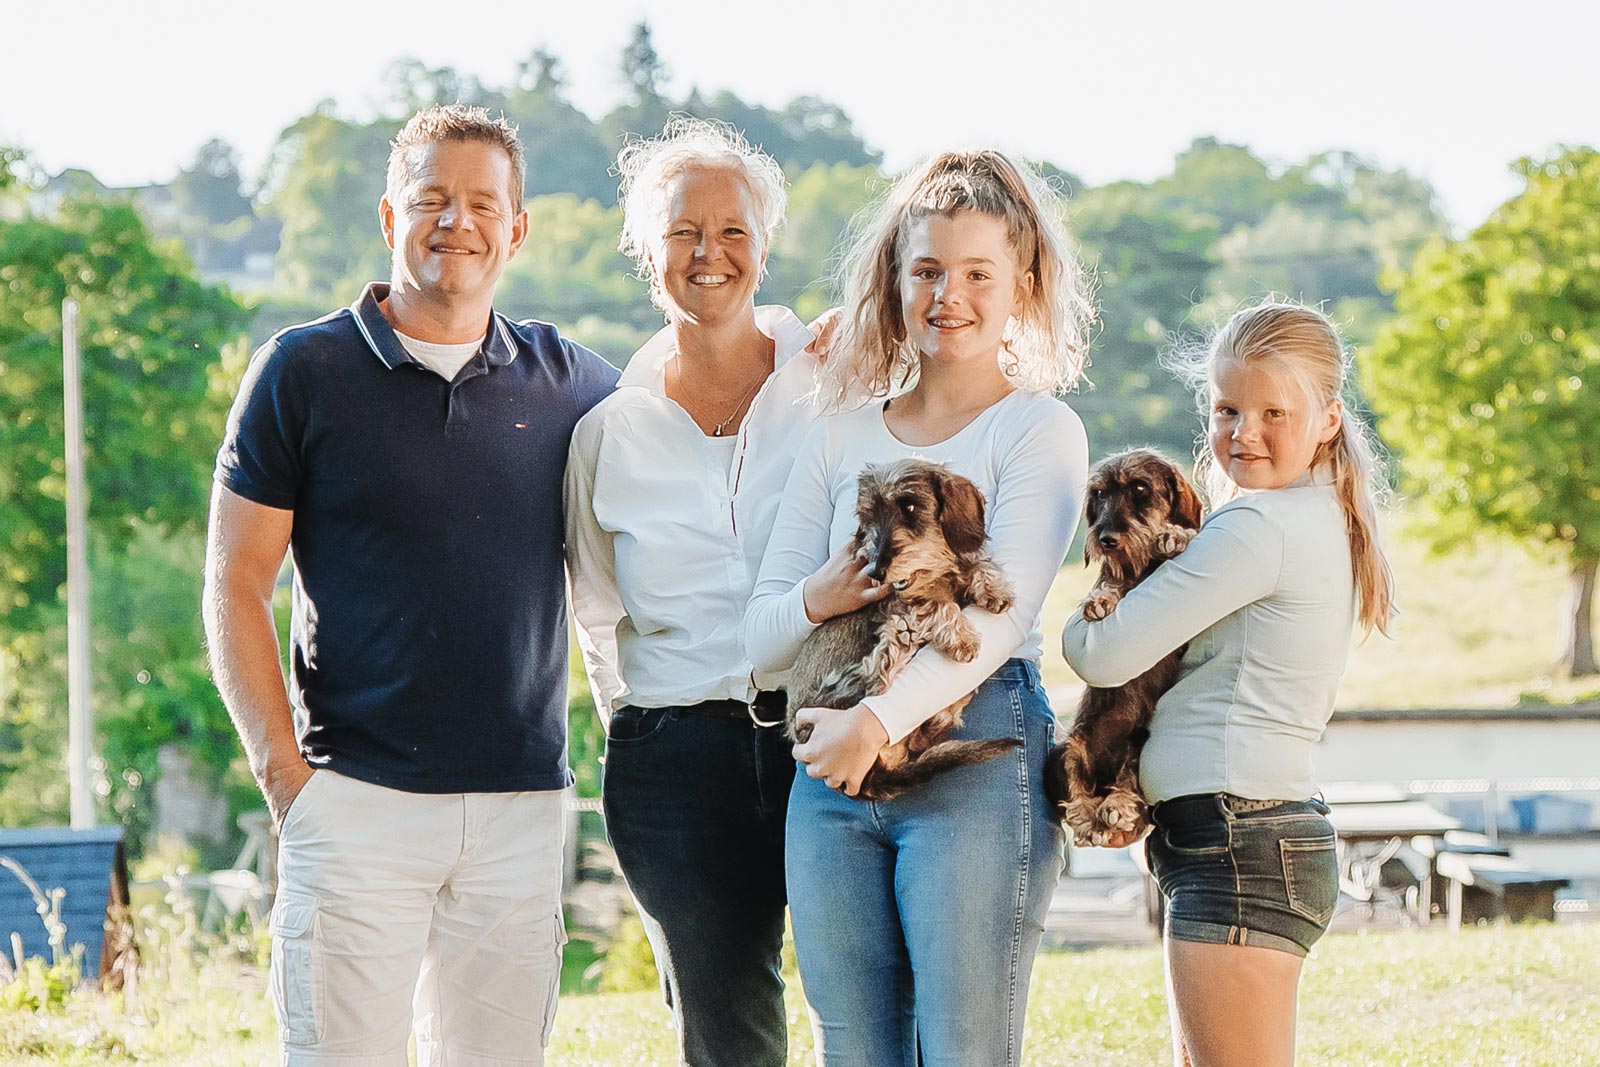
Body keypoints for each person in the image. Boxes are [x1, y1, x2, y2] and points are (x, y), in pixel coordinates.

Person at [203, 104, 618, 1067]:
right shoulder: (300, 371)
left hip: (519, 811)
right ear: (389, 218)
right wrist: (286, 781)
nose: (455, 221)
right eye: (429, 198)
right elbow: (235, 583)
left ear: (516, 229)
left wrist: (802, 346)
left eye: (482, 203)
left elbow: (696, 399)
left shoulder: (572, 384)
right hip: (354, 800)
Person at [742, 150, 1094, 1067]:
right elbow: (763, 634)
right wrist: (821, 602)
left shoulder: (1038, 429)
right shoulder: (839, 428)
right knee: (853, 1050)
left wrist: (880, 718)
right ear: (893, 279)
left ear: (1024, 283)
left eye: (979, 273)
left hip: (974, 751)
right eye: (928, 271)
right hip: (829, 764)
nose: (951, 295)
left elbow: (1001, 618)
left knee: (964, 1049)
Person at [1062, 300, 1395, 1067]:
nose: (1245, 431)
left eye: (1274, 411)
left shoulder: (1258, 529)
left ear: (1329, 418)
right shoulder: (1306, 516)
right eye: (1227, 408)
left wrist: (1086, 614)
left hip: (1240, 843)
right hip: (1245, 837)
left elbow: (1103, 653)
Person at [564, 118, 821, 1067]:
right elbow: (598, 612)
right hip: (673, 756)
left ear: (764, 244)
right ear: (646, 250)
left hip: (823, 731)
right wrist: (641, 728)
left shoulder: (835, 382)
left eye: (733, 230)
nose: (708, 252)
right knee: (726, 1028)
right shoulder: (608, 432)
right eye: (682, 231)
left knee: (862, 995)